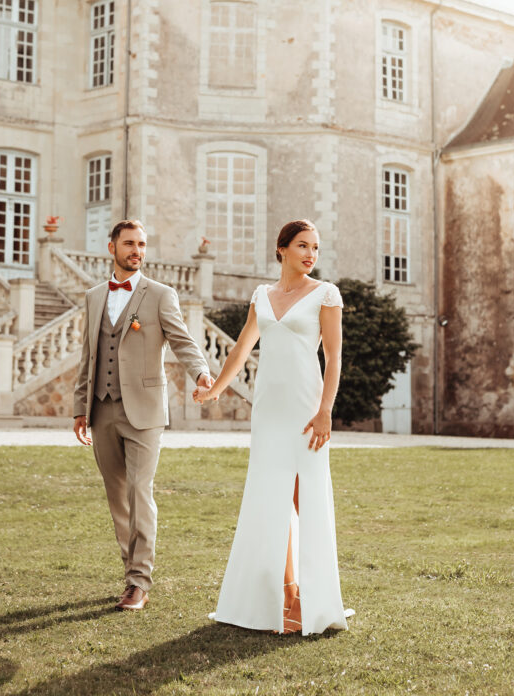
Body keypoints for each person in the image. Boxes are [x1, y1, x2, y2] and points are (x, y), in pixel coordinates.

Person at [194, 219, 353, 635]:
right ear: (281, 248)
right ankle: (286, 596)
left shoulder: (326, 295)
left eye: (315, 248)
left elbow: (334, 358)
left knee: (306, 500)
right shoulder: (261, 296)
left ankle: (315, 599)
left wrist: (326, 410)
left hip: (306, 409)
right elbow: (241, 349)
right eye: (302, 245)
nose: (310, 254)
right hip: (268, 411)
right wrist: (214, 391)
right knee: (271, 501)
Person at [73, 220, 213, 611]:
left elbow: (182, 340)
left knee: (140, 490)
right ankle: (130, 574)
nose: (137, 251)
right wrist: (80, 408)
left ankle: (139, 581)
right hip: (101, 408)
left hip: (146, 410)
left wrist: (201, 372)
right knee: (117, 496)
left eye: (142, 244)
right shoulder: (94, 296)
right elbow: (87, 355)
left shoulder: (161, 295)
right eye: (130, 243)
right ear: (112, 247)